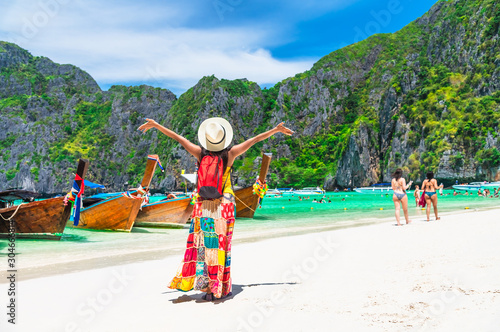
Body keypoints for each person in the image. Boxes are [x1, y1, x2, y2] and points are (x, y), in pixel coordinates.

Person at [138, 117, 293, 301]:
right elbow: (254, 140)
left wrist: (156, 125)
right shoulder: (231, 154)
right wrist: (275, 130)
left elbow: (178, 138)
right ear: (223, 138)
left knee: (206, 246)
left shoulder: (200, 153)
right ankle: (220, 286)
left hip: (205, 205)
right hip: (226, 205)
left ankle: (209, 289)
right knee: (222, 247)